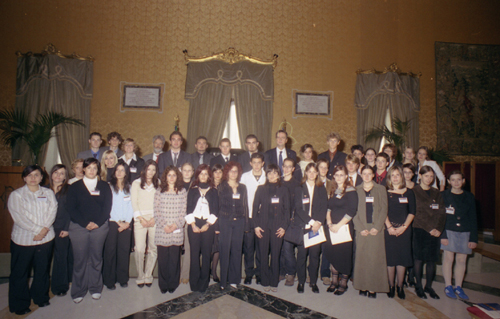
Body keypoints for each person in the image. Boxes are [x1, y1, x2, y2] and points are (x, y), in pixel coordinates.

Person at [8, 165, 57, 315]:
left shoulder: (48, 193)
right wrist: (38, 230)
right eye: (29, 175)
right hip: (23, 240)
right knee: (20, 273)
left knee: (42, 271)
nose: (33, 178)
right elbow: (19, 217)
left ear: (42, 177)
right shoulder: (17, 195)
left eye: (36, 175)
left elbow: (52, 210)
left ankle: (41, 298)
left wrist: (43, 231)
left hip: (46, 238)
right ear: (24, 178)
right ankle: (20, 305)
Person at [66, 157, 112, 303]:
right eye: (89, 167)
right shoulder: (74, 186)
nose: (92, 170)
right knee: (80, 260)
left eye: (94, 167)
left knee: (96, 259)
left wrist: (97, 223)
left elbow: (107, 208)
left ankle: (95, 288)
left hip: (99, 227)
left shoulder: (104, 186)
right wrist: (85, 223)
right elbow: (71, 208)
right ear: (83, 169)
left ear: (98, 169)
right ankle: (78, 290)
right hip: (79, 227)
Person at [353, 165, 389, 298]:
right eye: (364, 173)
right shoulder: (355, 190)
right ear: (361, 175)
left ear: (373, 175)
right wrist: (360, 228)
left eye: (369, 174)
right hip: (361, 228)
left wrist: (378, 227)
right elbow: (353, 212)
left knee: (375, 258)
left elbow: (384, 209)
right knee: (361, 258)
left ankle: (373, 287)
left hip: (376, 229)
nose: (367, 176)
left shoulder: (381, 189)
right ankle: (362, 285)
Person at [253, 164, 290, 292]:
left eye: (275, 173)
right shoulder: (260, 189)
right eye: (269, 173)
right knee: (263, 254)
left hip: (277, 226)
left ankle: (274, 282)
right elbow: (255, 208)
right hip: (262, 226)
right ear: (266, 174)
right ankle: (264, 281)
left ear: (278, 174)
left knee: (275, 254)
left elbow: (287, 211)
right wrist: (256, 226)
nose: (272, 175)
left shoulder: (284, 189)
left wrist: (284, 227)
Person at [441, 171, 477, 300]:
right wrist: (442, 235)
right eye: (453, 180)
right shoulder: (443, 195)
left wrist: (473, 238)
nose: (456, 182)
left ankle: (458, 286)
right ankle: (448, 285)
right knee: (448, 259)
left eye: (459, 179)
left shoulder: (469, 196)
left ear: (463, 181)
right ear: (449, 182)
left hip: (465, 231)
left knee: (462, 260)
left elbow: (473, 217)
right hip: (449, 230)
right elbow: (441, 217)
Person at [412, 165, 446, 299]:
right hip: (420, 229)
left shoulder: (436, 192)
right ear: (420, 176)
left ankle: (429, 286)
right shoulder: (413, 191)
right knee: (419, 259)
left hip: (435, 231)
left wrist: (438, 229)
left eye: (432, 176)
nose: (429, 179)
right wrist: (430, 228)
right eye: (426, 175)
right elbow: (415, 213)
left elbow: (442, 212)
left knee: (432, 260)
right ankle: (418, 286)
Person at [323, 165, 358, 296]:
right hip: (331, 227)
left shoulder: (351, 191)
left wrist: (338, 226)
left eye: (341, 175)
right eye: (336, 175)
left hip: (344, 228)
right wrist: (329, 222)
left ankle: (343, 283)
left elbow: (351, 211)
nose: (339, 177)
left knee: (343, 255)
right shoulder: (333, 190)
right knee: (333, 254)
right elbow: (328, 208)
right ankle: (334, 281)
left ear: (346, 176)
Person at [294, 163, 327, 294]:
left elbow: (323, 207)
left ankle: (313, 282)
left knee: (314, 256)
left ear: (317, 173)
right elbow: (298, 209)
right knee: (301, 256)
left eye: (314, 172)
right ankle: (301, 281)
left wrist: (318, 222)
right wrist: (311, 222)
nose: (312, 174)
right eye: (310, 171)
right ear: (305, 173)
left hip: (316, 228)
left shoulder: (321, 188)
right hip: (304, 226)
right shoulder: (299, 188)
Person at [185, 164, 219, 292]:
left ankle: (204, 282)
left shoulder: (213, 190)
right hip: (193, 224)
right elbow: (188, 209)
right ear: (197, 175)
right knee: (194, 254)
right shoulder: (193, 190)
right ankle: (194, 283)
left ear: (209, 175)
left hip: (208, 225)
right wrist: (193, 225)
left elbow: (215, 211)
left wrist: (208, 225)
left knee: (206, 254)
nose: (203, 176)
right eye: (201, 173)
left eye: (206, 174)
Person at [154, 166, 187, 294]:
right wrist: (164, 225)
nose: (172, 177)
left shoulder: (182, 191)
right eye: (169, 175)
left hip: (176, 229)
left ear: (177, 177)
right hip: (162, 230)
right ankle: (163, 284)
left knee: (174, 259)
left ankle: (173, 283)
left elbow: (184, 211)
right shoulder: (159, 191)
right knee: (163, 259)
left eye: (174, 175)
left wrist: (175, 225)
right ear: (165, 177)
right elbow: (156, 211)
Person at [384, 166, 415, 300]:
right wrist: (389, 227)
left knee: (402, 260)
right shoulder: (385, 192)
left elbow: (412, 212)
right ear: (389, 178)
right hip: (389, 229)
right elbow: (382, 211)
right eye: (393, 175)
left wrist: (403, 227)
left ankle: (400, 286)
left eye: (398, 175)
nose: (395, 178)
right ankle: (390, 286)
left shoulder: (409, 193)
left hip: (405, 230)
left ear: (402, 176)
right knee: (390, 260)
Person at [217, 161, 249, 290]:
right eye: (231, 171)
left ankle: (234, 280)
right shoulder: (221, 186)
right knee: (225, 251)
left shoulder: (242, 187)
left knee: (236, 250)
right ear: (227, 172)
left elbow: (245, 206)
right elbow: (217, 207)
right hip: (224, 221)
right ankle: (223, 281)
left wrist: (246, 224)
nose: (233, 173)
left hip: (239, 222)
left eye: (236, 171)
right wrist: (217, 226)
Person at [103, 162, 134, 290]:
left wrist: (127, 222)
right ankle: (109, 280)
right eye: (117, 170)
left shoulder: (130, 187)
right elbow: (107, 206)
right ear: (114, 172)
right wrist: (117, 222)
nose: (120, 172)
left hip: (126, 224)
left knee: (123, 251)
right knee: (110, 251)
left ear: (126, 173)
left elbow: (132, 206)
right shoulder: (108, 187)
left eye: (122, 170)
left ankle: (122, 278)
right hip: (112, 222)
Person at [131, 160, 159, 288]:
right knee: (140, 248)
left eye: (153, 170)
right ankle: (140, 275)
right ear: (144, 170)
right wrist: (141, 219)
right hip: (140, 219)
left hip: (154, 219)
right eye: (149, 169)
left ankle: (148, 275)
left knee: (153, 248)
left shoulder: (158, 183)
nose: (151, 172)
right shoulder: (136, 183)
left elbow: (160, 202)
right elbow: (134, 202)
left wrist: (154, 218)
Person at [240, 153, 267, 285]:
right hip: (249, 217)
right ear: (250, 163)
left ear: (263, 163)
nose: (256, 165)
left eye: (259, 162)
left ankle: (261, 273)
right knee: (249, 247)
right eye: (254, 162)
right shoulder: (244, 177)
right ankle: (249, 273)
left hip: (263, 218)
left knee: (261, 247)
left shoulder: (268, 176)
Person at [48, 164, 73, 297]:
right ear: (51, 174)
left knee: (61, 258)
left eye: (61, 173)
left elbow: (71, 211)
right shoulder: (43, 189)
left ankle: (60, 286)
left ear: (65, 176)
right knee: (45, 259)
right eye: (56, 172)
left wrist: (67, 228)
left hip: (62, 228)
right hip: (45, 228)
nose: (58, 175)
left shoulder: (69, 190)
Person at [280, 158, 301, 286]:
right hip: (277, 219)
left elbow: (298, 205)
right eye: (285, 166)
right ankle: (281, 271)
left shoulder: (297, 185)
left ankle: (291, 273)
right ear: (282, 167)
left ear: (293, 169)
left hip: (291, 221)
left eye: (290, 167)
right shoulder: (277, 182)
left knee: (287, 248)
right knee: (279, 247)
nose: (287, 169)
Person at [317, 158, 333, 286]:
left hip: (327, 219)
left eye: (325, 167)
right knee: (314, 247)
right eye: (320, 167)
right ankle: (310, 272)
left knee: (326, 247)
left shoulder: (332, 184)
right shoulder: (312, 182)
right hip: (315, 220)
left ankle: (325, 274)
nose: (323, 170)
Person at [210, 164, 224, 282]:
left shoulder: (225, 186)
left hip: (221, 219)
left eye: (220, 172)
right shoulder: (208, 186)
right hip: (209, 219)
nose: (218, 174)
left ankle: (214, 271)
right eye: (216, 172)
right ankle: (206, 269)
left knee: (217, 246)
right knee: (209, 245)